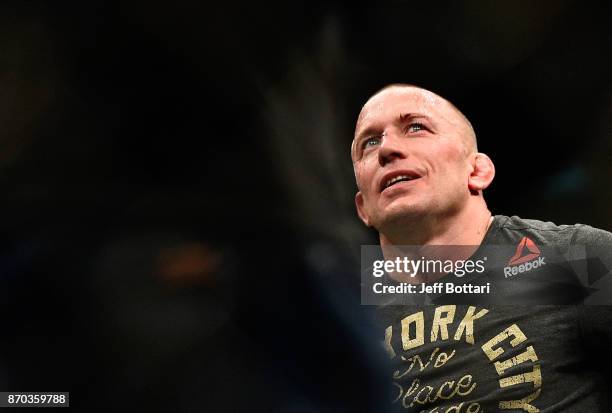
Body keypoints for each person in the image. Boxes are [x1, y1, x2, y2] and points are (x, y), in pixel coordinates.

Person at [350, 84, 612, 412]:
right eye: (370, 143)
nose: (387, 149)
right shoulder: (339, 310)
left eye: (416, 127)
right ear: (364, 209)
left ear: (477, 171)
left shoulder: (580, 258)